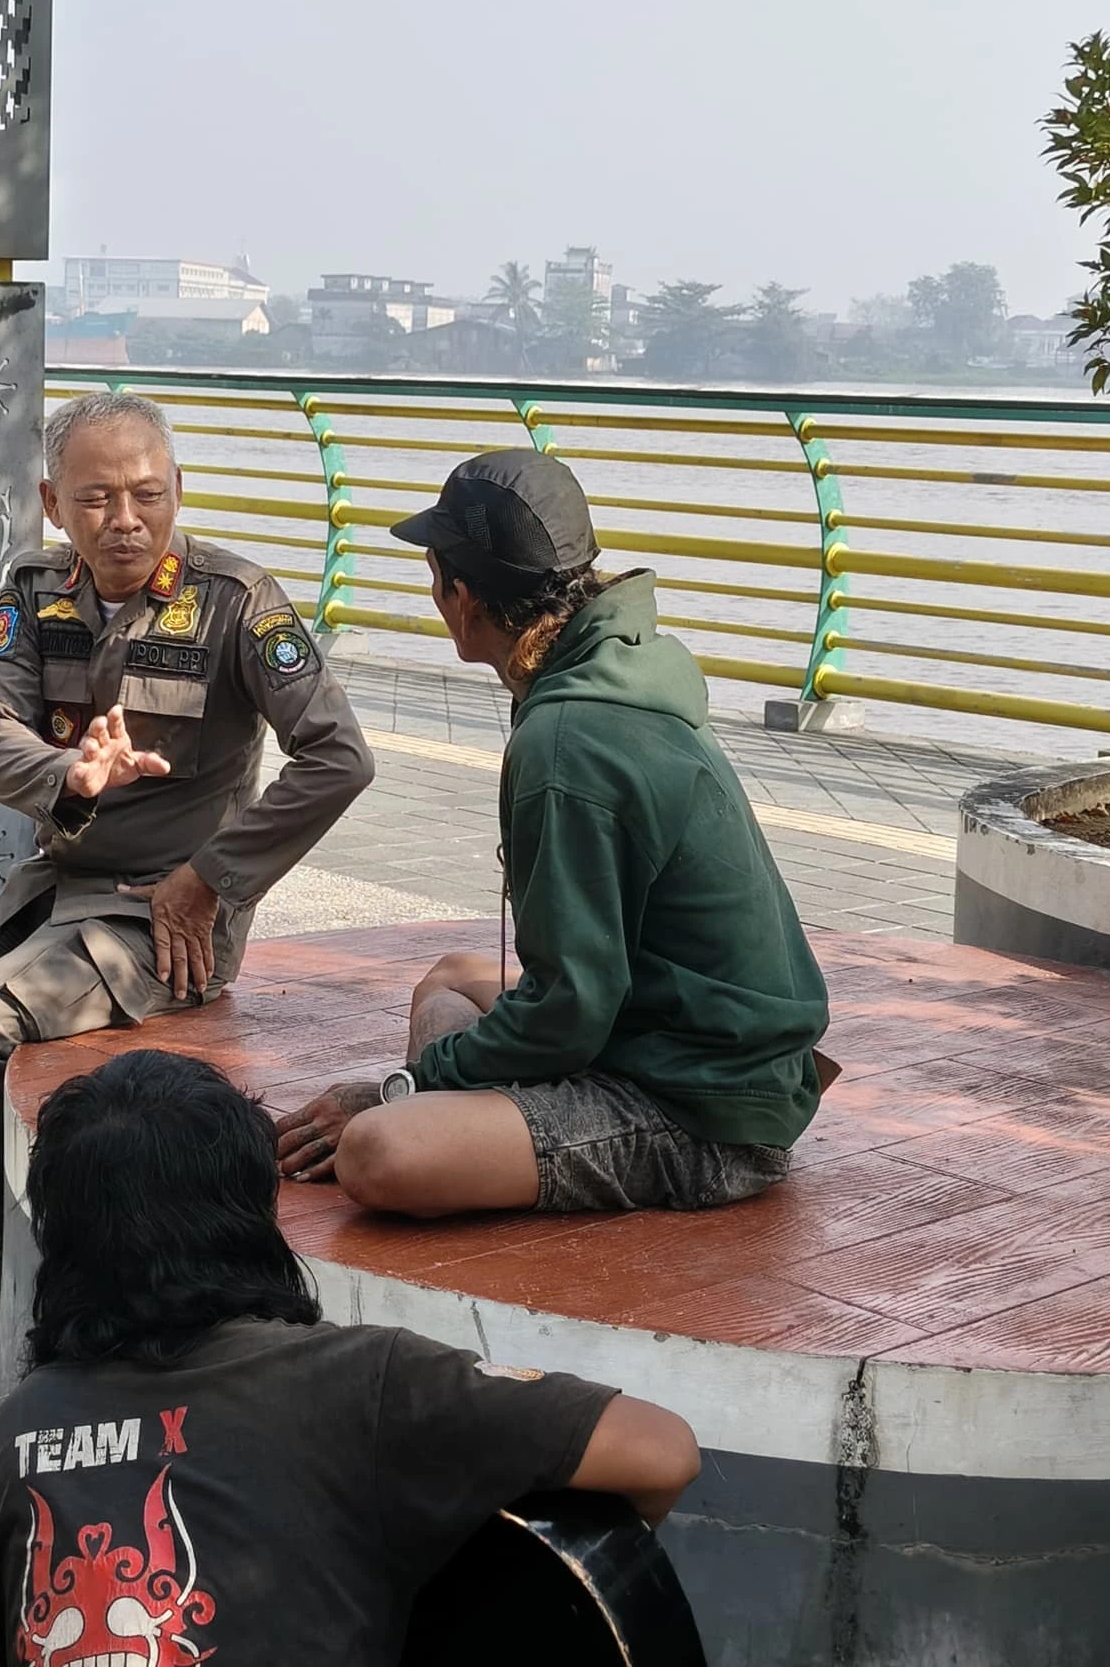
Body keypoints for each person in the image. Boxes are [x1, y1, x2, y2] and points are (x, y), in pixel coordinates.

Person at [0, 391, 375, 1376]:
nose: (125, 519)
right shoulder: (33, 587)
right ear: (51, 501)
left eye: (148, 494)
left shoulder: (236, 599)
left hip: (161, 917)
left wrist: (215, 876)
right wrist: (70, 777)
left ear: (176, 490)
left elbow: (338, 756)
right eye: (98, 496)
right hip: (48, 891)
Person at [0, 1049, 700, 1667]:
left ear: (63, 1241)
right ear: (253, 1216)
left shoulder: (4, 1440)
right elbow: (663, 1451)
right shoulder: (369, 1381)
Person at [273, 449, 831, 1218]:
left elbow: (572, 1009)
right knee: (449, 979)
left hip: (705, 1114)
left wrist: (398, 1092)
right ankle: (461, 1124)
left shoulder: (565, 741)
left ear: (462, 596)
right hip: (691, 1036)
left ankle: (444, 1131)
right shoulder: (620, 666)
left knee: (379, 1153)